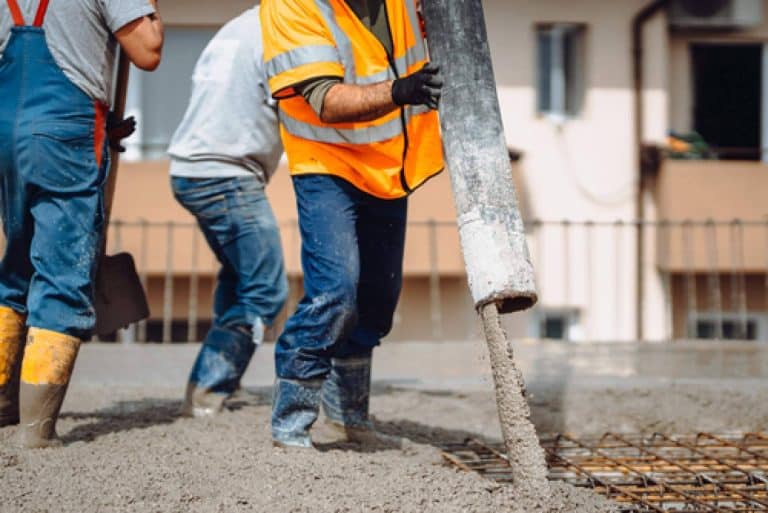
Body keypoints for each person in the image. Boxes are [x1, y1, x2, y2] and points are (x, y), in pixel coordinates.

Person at [261, 0, 444, 447]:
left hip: (386, 163)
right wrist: (399, 91)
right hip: (327, 164)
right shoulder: (290, 5)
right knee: (335, 294)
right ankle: (290, 424)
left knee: (378, 300)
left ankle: (347, 418)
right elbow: (326, 100)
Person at [0, 0, 164, 448]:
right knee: (62, 276)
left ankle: (3, 406)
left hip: (7, 128)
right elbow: (147, 51)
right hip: (65, 132)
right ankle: (36, 433)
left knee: (17, 266)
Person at [167, 6, 288, 418]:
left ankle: (218, 383)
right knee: (267, 289)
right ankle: (206, 392)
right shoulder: (285, 31)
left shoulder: (238, 27)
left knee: (241, 278)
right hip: (224, 174)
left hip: (194, 169)